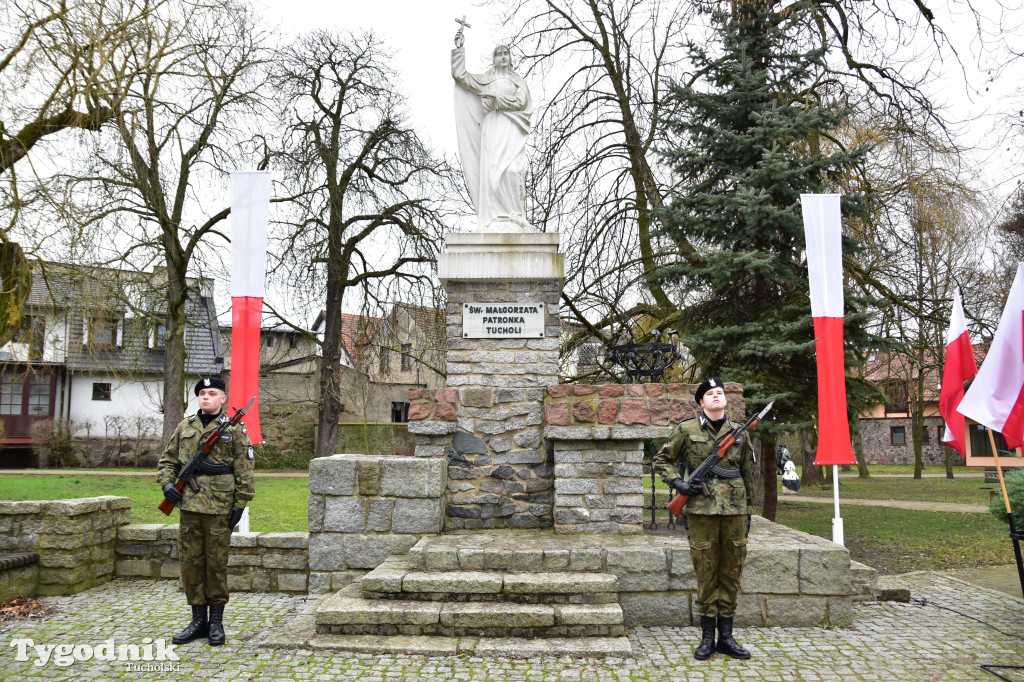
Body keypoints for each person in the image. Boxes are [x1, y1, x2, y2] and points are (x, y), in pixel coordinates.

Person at [653, 377, 755, 660]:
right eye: (710, 393)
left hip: (734, 511)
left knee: (732, 573)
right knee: (706, 573)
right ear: (701, 401)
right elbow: (661, 459)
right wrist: (678, 484)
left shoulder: (740, 432)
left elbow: (748, 474)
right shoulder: (686, 429)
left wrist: (750, 512)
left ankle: (727, 638)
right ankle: (708, 638)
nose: (716, 396)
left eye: (720, 392)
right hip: (701, 510)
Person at [157, 376, 255, 646]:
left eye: (212, 393)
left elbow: (244, 470)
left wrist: (240, 503)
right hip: (189, 506)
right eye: (202, 393)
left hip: (219, 508)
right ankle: (197, 621)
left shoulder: (235, 430)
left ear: (223, 398)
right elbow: (167, 460)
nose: (205, 397)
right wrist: (167, 484)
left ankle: (216, 624)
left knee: (216, 566)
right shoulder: (184, 427)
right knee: (191, 565)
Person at [451, 28, 532, 232]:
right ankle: (496, 216)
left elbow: (521, 102)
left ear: (510, 58)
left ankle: (516, 215)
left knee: (513, 170)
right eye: (499, 54)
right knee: (493, 169)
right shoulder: (487, 80)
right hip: (494, 127)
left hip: (512, 128)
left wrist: (497, 100)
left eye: (506, 54)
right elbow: (461, 76)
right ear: (494, 59)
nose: (503, 57)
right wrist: (459, 49)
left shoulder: (518, 81)